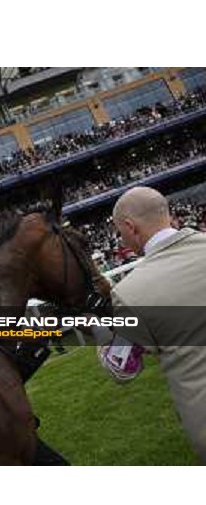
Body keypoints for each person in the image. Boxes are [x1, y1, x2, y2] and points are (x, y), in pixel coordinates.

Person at [97, 185, 206, 462]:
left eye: (119, 232)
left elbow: (122, 369)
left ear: (130, 227)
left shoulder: (131, 293)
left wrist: (100, 333)